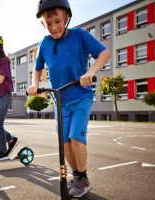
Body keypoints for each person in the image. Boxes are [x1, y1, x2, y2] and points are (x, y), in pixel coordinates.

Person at [27, 0, 111, 198]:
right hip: (60, 100)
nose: (54, 27)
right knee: (64, 142)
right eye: (49, 24)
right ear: (43, 24)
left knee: (75, 137)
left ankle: (84, 178)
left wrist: (90, 72)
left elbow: (104, 53)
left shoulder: (79, 35)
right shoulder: (44, 43)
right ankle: (77, 176)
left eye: (58, 21)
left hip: (80, 96)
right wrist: (34, 84)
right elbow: (37, 69)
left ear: (66, 17)